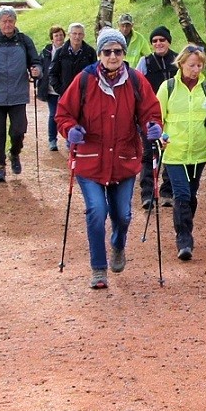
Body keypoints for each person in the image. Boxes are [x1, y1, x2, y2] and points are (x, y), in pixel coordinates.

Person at [55, 28, 163, 289]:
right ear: (100, 54)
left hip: (124, 160)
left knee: (123, 215)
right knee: (96, 211)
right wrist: (71, 130)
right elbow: (63, 114)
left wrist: (153, 127)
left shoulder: (135, 81)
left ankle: (118, 244)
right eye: (107, 51)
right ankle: (98, 269)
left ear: (124, 53)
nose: (112, 56)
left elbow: (150, 112)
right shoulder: (84, 80)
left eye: (117, 51)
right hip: (90, 160)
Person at [153, 43, 206, 261]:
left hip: (199, 153)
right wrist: (159, 139)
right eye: (192, 65)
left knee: (191, 196)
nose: (196, 69)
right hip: (174, 152)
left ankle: (185, 229)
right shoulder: (168, 87)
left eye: (200, 65)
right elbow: (156, 117)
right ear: (181, 63)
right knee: (182, 194)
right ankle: (184, 240)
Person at [0, 7, 41, 182]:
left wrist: (36, 71)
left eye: (10, 20)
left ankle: (14, 153)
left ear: (15, 22)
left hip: (18, 94)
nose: (7, 24)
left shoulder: (25, 41)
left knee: (19, 130)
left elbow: (36, 62)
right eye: (4, 21)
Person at [137, 27, 179, 209]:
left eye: (162, 40)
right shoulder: (145, 62)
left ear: (169, 41)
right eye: (154, 41)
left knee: (169, 153)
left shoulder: (179, 60)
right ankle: (147, 194)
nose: (158, 44)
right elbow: (137, 87)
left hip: (174, 116)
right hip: (150, 116)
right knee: (148, 154)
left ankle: (167, 192)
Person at [49, 23, 96, 151]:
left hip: (85, 95)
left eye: (80, 34)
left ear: (84, 35)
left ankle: (80, 145)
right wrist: (60, 89)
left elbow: (95, 74)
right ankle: (70, 143)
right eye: (74, 34)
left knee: (84, 119)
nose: (77, 37)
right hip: (66, 94)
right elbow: (52, 73)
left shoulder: (90, 52)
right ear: (69, 35)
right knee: (66, 119)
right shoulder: (60, 53)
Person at [37, 25, 66, 151]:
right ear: (52, 39)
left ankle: (70, 140)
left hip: (66, 89)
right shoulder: (46, 52)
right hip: (50, 89)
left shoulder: (69, 50)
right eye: (56, 35)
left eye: (60, 35)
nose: (59, 37)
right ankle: (52, 140)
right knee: (53, 114)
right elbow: (40, 66)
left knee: (68, 115)